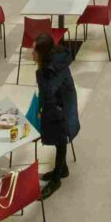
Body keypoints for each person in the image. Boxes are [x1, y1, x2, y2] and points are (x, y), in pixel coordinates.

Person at [33, 30, 81, 194]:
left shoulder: (52, 69)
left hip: (62, 105)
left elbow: (49, 93)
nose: (32, 53)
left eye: (35, 50)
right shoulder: (50, 64)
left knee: (60, 138)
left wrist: (44, 110)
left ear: (44, 53)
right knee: (58, 137)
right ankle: (62, 168)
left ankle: (56, 180)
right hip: (59, 102)